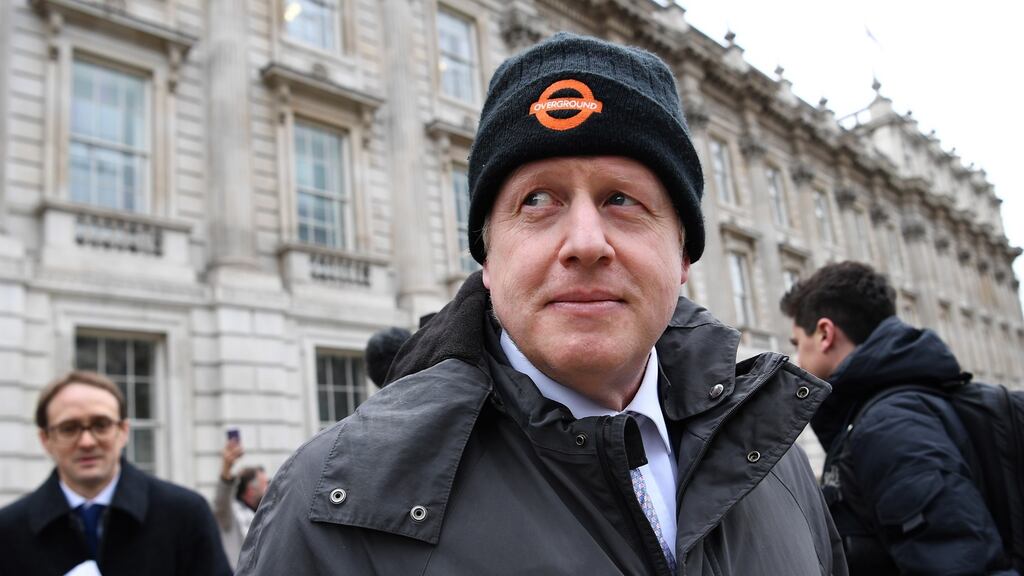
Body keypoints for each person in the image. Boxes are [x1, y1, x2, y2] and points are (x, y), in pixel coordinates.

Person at [238, 32, 846, 575]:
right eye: (537, 201)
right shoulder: (331, 504)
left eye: (622, 200)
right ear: (487, 257)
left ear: (684, 255)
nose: (585, 243)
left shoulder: (779, 466)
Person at [780, 261, 1017, 575]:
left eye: (798, 344)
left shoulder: (888, 427)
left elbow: (957, 562)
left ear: (825, 334)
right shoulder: (888, 409)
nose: (798, 359)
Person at [0, 370, 232, 576]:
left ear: (123, 431)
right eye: (69, 428)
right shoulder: (8, 531)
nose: (87, 441)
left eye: (101, 425)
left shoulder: (186, 514)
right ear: (45, 439)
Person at [214, 435, 268, 570]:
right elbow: (221, 501)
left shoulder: (266, 513)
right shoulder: (231, 515)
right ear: (251, 490)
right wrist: (227, 467)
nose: (270, 489)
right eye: (265, 485)